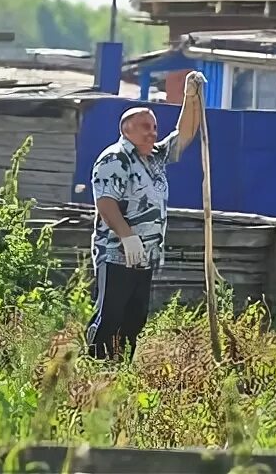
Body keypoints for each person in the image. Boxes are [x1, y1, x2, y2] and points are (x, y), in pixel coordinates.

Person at [85, 71, 206, 361]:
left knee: (135, 317)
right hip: (117, 251)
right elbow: (106, 202)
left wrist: (191, 99)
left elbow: (184, 134)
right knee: (111, 316)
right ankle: (96, 369)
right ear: (127, 131)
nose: (152, 133)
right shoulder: (115, 159)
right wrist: (127, 237)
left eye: (153, 127)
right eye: (145, 128)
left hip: (146, 253)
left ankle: (121, 366)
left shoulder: (154, 157)